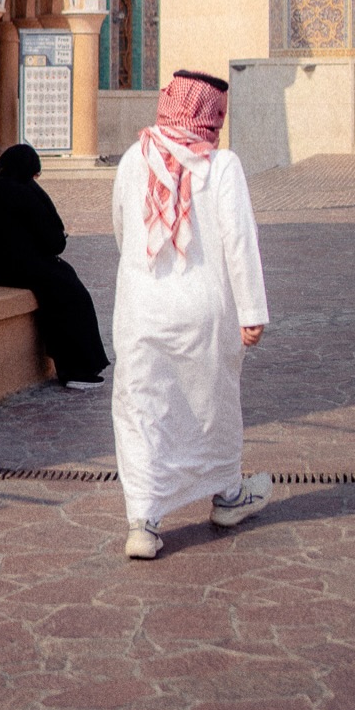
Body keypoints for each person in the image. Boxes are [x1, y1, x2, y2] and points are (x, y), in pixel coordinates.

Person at [111, 69, 270, 560]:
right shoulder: (222, 166)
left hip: (141, 307)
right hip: (205, 308)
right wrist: (252, 310)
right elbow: (238, 241)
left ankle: (144, 521)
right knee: (211, 404)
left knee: (143, 409)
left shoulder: (133, 158)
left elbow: (121, 229)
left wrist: (144, 274)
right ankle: (226, 494)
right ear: (212, 114)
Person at [0, 142, 109, 388]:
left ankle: (77, 367)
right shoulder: (23, 193)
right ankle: (76, 371)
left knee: (63, 279)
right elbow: (54, 242)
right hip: (17, 268)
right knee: (70, 293)